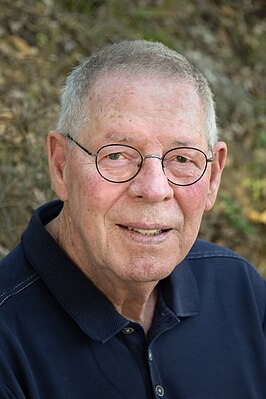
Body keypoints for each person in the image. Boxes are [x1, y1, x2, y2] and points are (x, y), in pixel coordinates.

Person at [0, 40, 265, 399]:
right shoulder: (8, 339)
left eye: (182, 159)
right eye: (117, 155)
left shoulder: (239, 288)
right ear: (60, 165)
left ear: (213, 176)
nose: (154, 189)